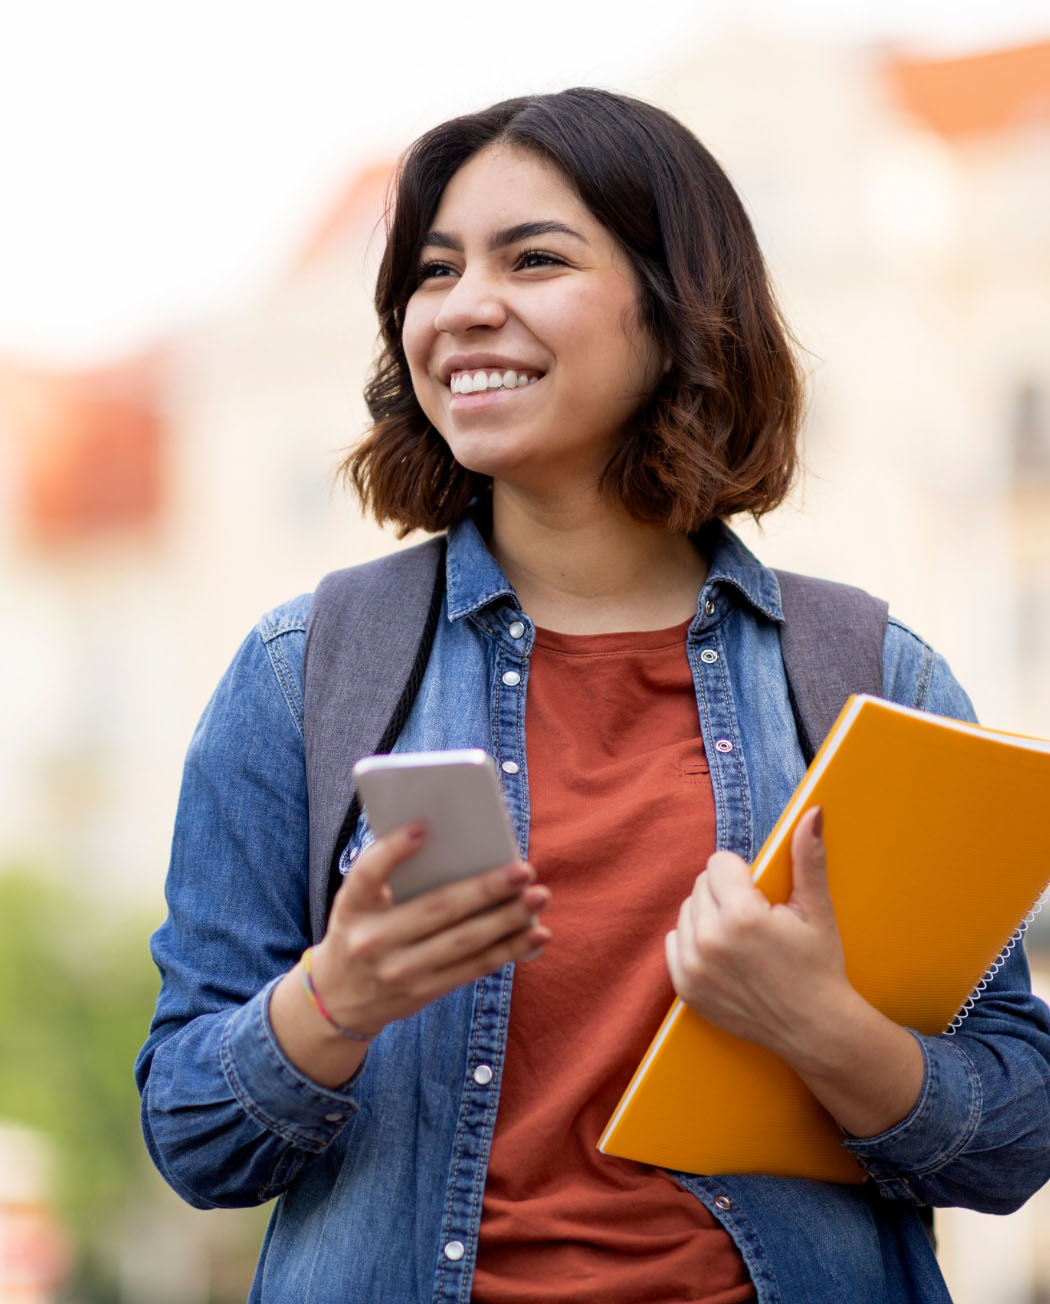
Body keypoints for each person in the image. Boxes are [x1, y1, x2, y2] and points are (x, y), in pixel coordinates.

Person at [135, 89, 1050, 1304]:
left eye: (535, 259)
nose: (465, 306)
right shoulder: (306, 668)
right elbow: (196, 1132)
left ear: (676, 311)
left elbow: (1013, 1136)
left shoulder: (871, 674)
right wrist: (336, 996)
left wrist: (817, 1025)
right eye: (434, 271)